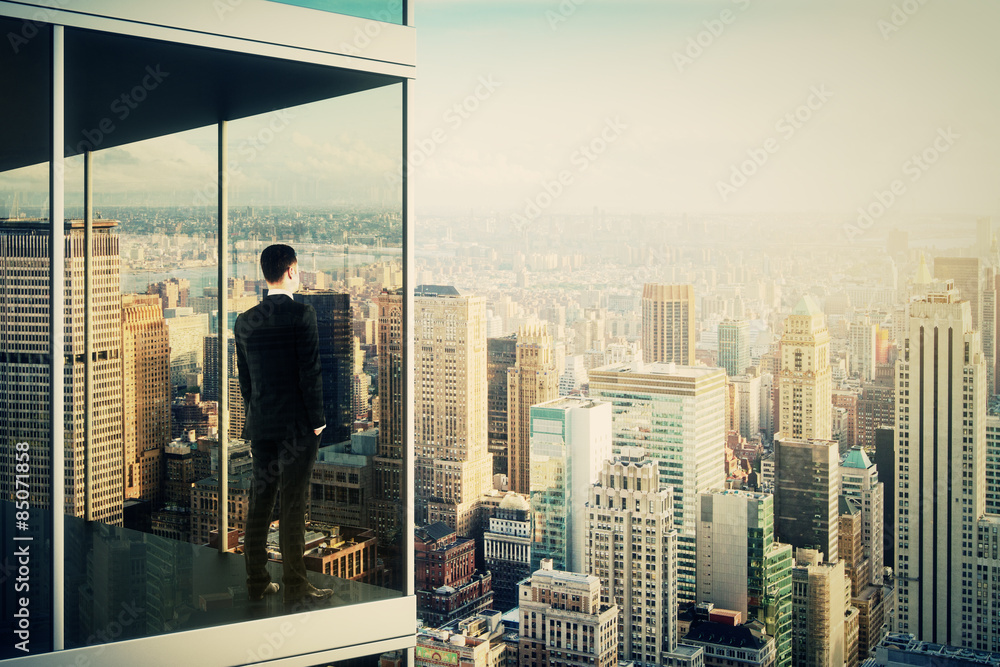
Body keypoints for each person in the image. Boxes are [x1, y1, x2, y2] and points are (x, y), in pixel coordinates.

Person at [235, 243, 334, 604]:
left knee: (261, 500)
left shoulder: (245, 321)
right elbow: (311, 372)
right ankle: (295, 585)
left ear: (266, 273)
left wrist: (257, 412)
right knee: (293, 504)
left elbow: (245, 381)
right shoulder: (302, 315)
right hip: (297, 427)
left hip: (261, 425)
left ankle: (256, 581)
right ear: (292, 271)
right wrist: (318, 421)